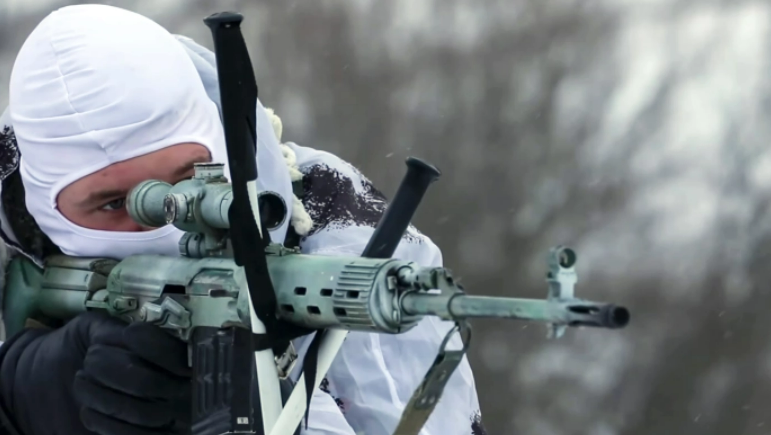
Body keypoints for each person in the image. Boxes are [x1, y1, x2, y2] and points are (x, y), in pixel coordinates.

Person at [0, 4, 486, 435]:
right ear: (44, 210)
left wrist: (269, 405)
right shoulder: (20, 262)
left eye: (190, 176)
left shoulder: (333, 220)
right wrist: (36, 390)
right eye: (112, 205)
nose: (169, 219)